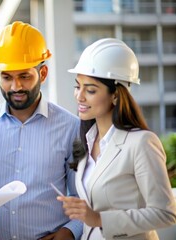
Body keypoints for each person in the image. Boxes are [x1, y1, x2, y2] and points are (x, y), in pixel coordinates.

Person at [0, 21, 82, 239]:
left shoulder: (71, 128)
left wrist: (69, 233)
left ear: (43, 73)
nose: (16, 87)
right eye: (7, 77)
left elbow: (82, 196)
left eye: (24, 76)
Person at [57, 38, 176, 239]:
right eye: (78, 86)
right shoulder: (86, 140)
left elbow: (166, 214)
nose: (79, 96)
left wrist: (100, 219)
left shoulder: (141, 143)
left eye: (91, 90)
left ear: (115, 95)